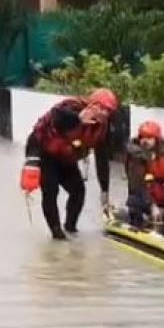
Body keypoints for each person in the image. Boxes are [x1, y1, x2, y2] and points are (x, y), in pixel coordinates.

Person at [23, 88, 123, 240]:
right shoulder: (71, 107)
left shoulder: (103, 128)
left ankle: (70, 227)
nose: (104, 113)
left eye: (108, 111)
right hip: (46, 154)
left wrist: (104, 191)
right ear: (91, 104)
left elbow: (101, 159)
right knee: (50, 192)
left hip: (66, 158)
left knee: (78, 191)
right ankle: (57, 234)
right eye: (101, 108)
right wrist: (78, 119)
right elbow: (57, 117)